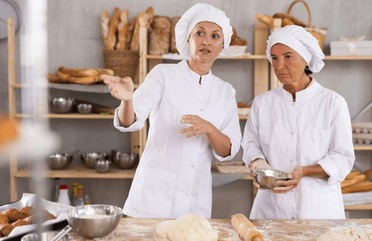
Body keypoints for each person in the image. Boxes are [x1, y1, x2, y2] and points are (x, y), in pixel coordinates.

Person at [102, 3, 241, 218]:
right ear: (188, 38)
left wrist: (210, 129)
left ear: (223, 46)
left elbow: (227, 150)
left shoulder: (226, 92)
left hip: (195, 201)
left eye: (215, 36)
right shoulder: (163, 74)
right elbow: (130, 121)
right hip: (152, 197)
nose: (206, 41)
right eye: (199, 33)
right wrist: (128, 100)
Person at [242, 25, 355, 219]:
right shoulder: (263, 103)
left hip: (318, 211)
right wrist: (259, 166)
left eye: (288, 56)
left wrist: (304, 171)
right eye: (274, 58)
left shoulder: (332, 103)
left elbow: (342, 158)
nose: (279, 66)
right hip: (271, 209)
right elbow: (251, 146)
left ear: (306, 59)